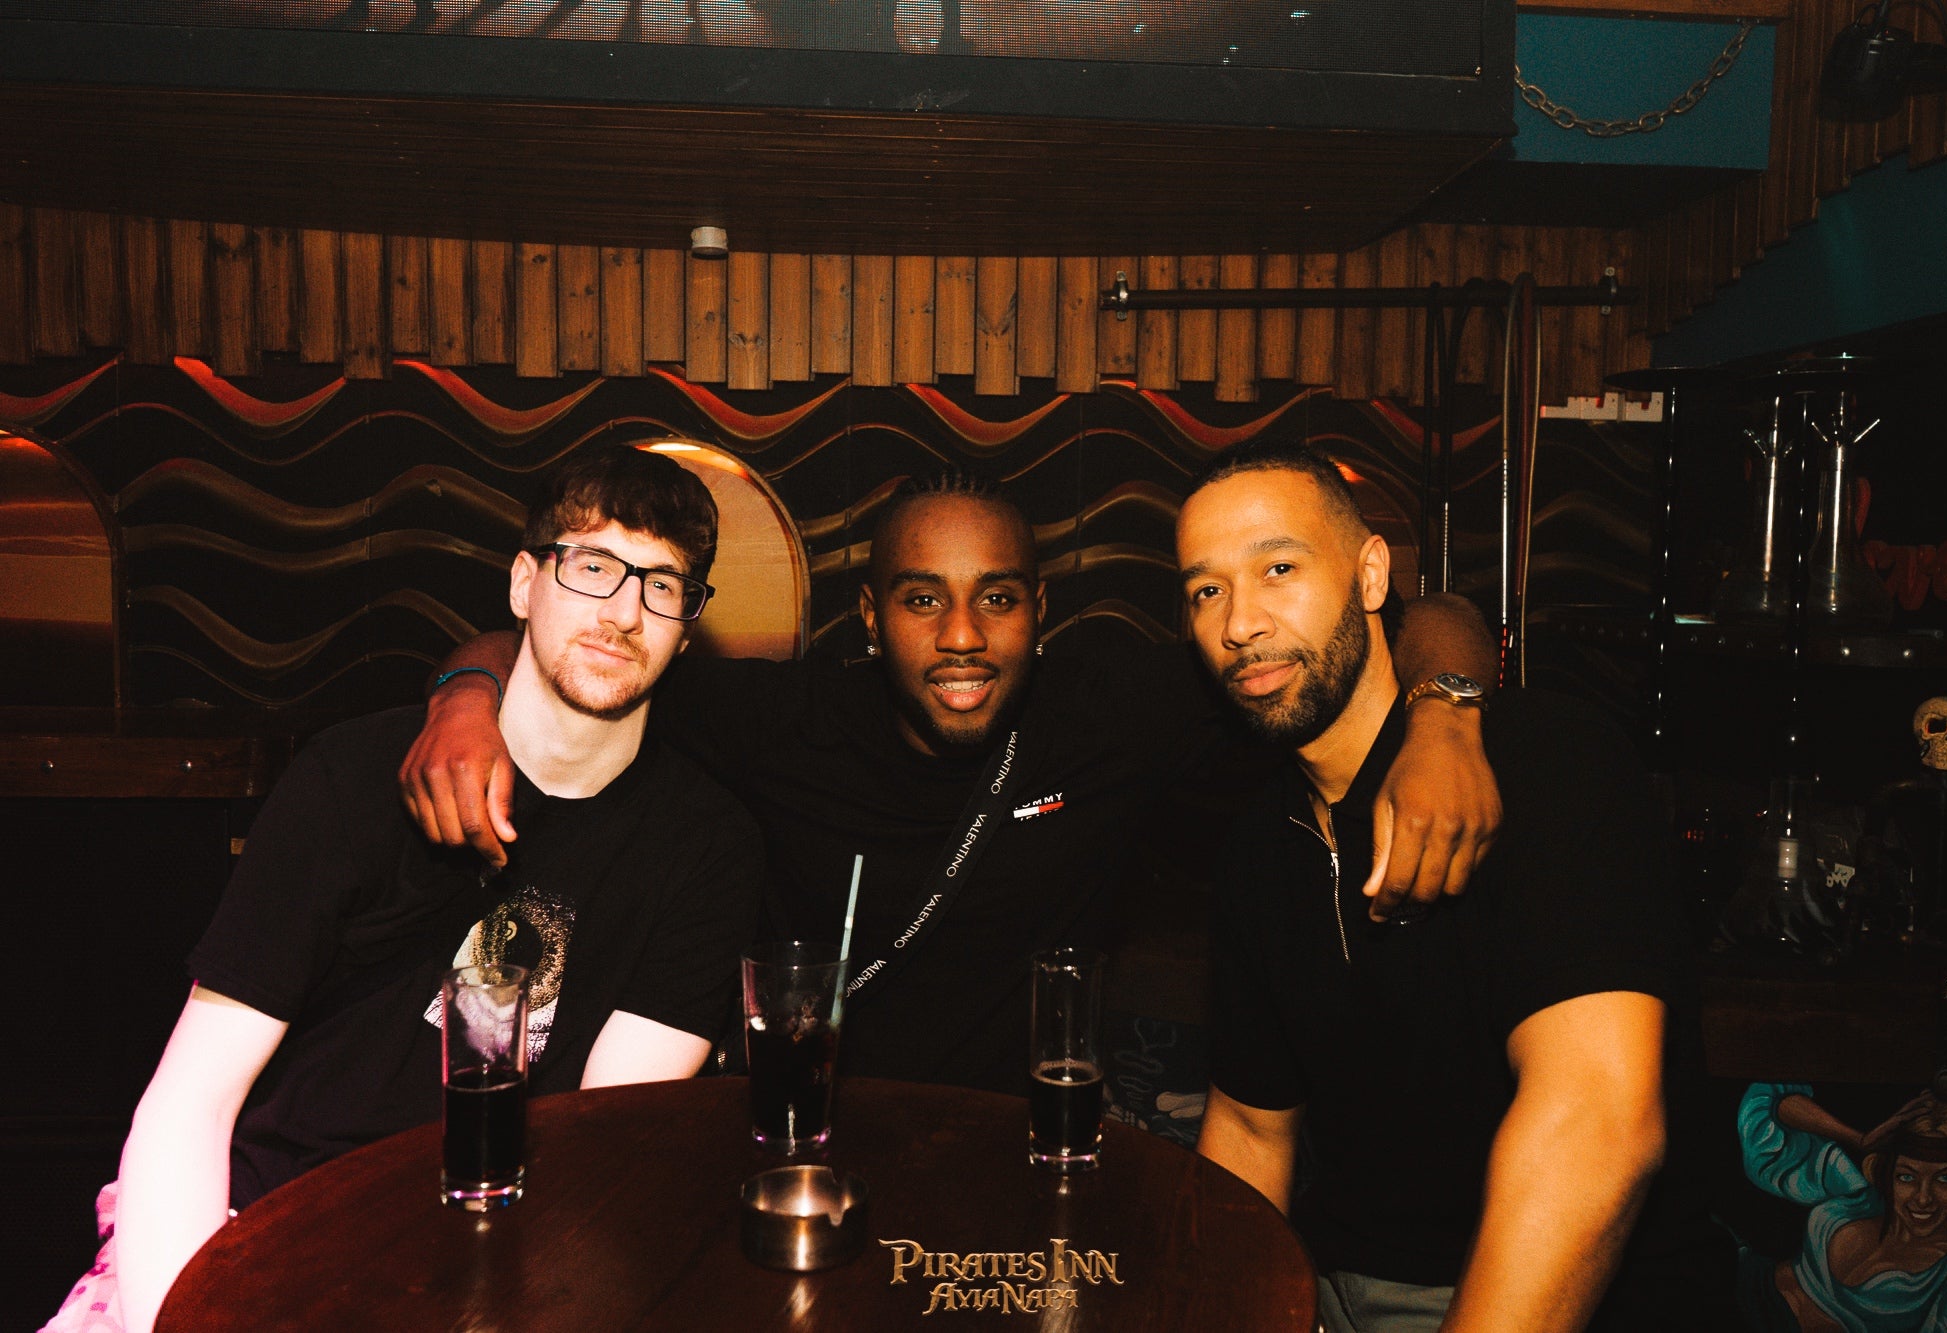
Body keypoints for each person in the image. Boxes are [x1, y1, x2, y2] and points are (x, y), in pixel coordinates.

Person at [400, 470, 1502, 1093]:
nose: (965, 637)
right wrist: (459, 700)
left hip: (1027, 1146)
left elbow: (1428, 616)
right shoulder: (782, 719)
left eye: (1000, 599)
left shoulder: (1110, 708)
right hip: (803, 1124)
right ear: (870, 621)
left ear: (1041, 612)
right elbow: (553, 645)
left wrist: (1446, 717)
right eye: (923, 600)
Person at [45, 446, 764, 1333]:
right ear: (524, 584)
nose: (624, 610)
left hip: (497, 1268)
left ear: (687, 626)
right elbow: (193, 1095)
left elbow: (602, 1153)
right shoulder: (351, 778)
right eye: (593, 567)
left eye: (663, 584)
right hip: (254, 1224)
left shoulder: (705, 846)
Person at [1180, 439, 1736, 1332]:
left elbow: (1597, 1125)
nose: (1239, 621)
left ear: (1369, 575)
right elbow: (1251, 1132)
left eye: (1278, 567)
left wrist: (1442, 713)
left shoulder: (1549, 760)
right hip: (1331, 1286)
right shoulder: (1259, 843)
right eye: (1206, 589)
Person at [1737, 1083, 1947, 1331]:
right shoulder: (1859, 1196)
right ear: (1888, 1176)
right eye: (1906, 1177)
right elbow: (1767, 1106)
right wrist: (1859, 1139)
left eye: (1944, 1178)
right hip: (1740, 1286)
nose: (1923, 1198)